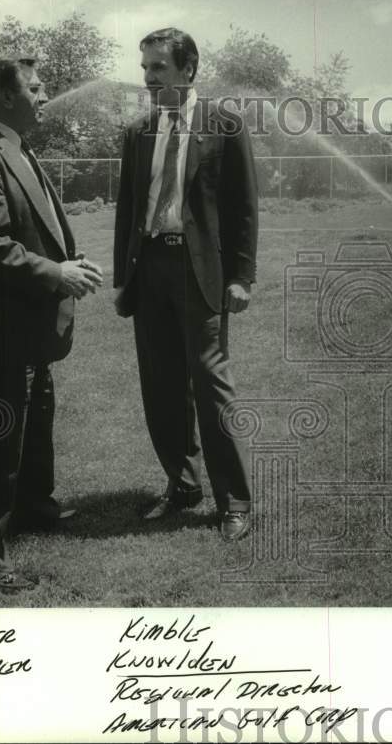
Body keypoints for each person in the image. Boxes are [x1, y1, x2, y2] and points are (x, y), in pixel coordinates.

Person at [0, 55, 103, 590]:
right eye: (34, 87)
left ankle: (34, 509)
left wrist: (65, 261)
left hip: (22, 324)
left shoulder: (11, 147)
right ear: (6, 96)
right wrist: (56, 271)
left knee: (35, 420)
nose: (44, 94)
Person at [113, 27, 258, 541]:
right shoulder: (137, 132)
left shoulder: (224, 125)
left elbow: (243, 210)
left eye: (158, 67)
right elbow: (129, 210)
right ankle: (183, 484)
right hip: (149, 269)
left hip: (201, 275)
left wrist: (241, 276)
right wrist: (123, 278)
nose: (148, 78)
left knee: (211, 383)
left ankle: (235, 500)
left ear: (188, 69)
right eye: (145, 67)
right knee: (161, 386)